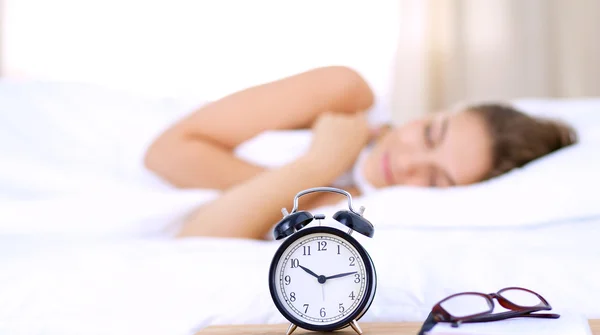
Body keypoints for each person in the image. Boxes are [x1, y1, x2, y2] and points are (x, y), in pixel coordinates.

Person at [144, 66, 577, 240]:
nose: (406, 163)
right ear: (433, 112)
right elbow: (164, 153)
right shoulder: (345, 94)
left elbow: (198, 238)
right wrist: (296, 190)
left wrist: (317, 166)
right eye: (429, 134)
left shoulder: (349, 212)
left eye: (435, 179)